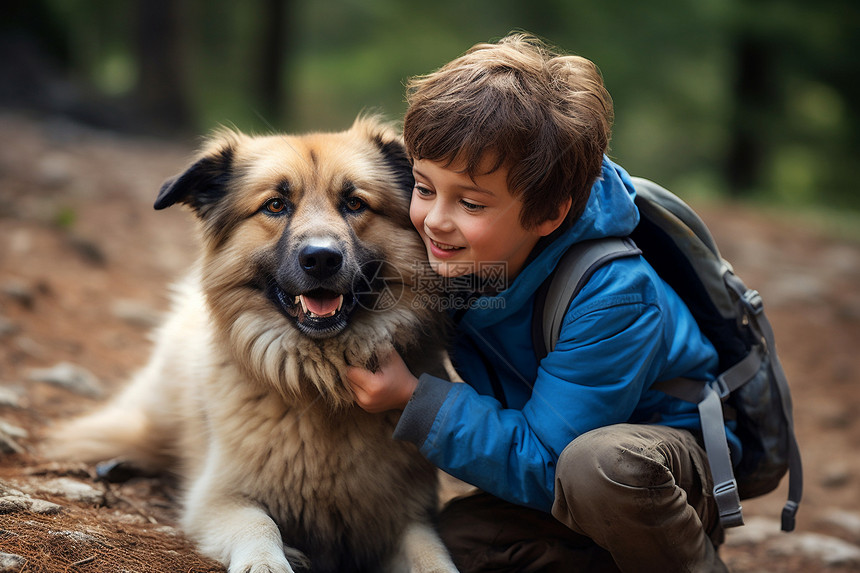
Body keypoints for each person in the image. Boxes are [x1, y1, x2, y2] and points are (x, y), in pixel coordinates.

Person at [346, 33, 731, 573]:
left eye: (471, 202)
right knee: (447, 547)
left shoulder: (612, 295)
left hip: (660, 473)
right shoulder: (460, 250)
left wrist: (415, 400)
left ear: (549, 214)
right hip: (559, 460)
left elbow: (551, 463)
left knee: (598, 468)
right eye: (424, 187)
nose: (434, 220)